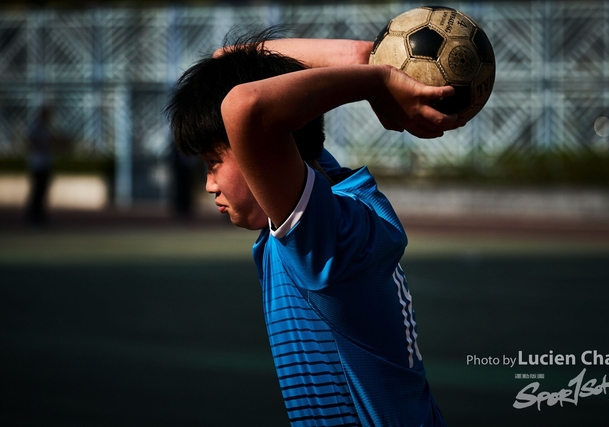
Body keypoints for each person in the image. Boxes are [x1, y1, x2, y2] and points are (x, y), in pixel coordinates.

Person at [165, 28, 464, 427]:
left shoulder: (330, 239)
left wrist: (377, 81)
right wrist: (368, 59)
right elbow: (225, 59)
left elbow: (244, 105)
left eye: (212, 162)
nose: (209, 184)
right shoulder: (331, 186)